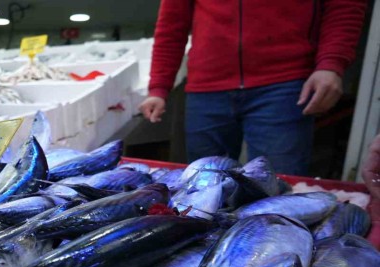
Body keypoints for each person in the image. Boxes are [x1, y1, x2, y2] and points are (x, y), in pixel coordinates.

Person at [139, 0, 366, 176]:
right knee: (203, 187)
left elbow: (344, 6)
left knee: (277, 187)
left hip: (283, 83)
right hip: (206, 88)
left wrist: (331, 64)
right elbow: (172, 24)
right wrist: (159, 87)